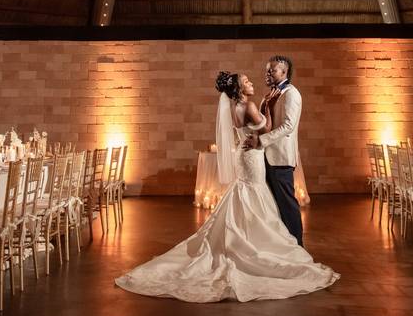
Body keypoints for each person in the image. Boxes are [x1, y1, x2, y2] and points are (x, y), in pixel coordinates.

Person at [114, 70, 338, 302]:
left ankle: (246, 239)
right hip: (253, 157)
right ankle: (253, 245)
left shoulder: (234, 108)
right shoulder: (250, 106)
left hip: (245, 156)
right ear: (240, 89)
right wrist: (269, 106)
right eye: (247, 81)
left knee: (246, 195)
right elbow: (267, 129)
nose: (251, 83)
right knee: (254, 194)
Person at [243, 56, 303, 245]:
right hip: (264, 159)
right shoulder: (269, 95)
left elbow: (288, 126)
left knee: (288, 205)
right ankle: (284, 246)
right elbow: (264, 122)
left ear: (284, 72)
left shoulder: (291, 94)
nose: (267, 73)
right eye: (267, 70)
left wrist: (260, 140)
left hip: (281, 158)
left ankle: (298, 247)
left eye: (272, 70)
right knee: (273, 207)